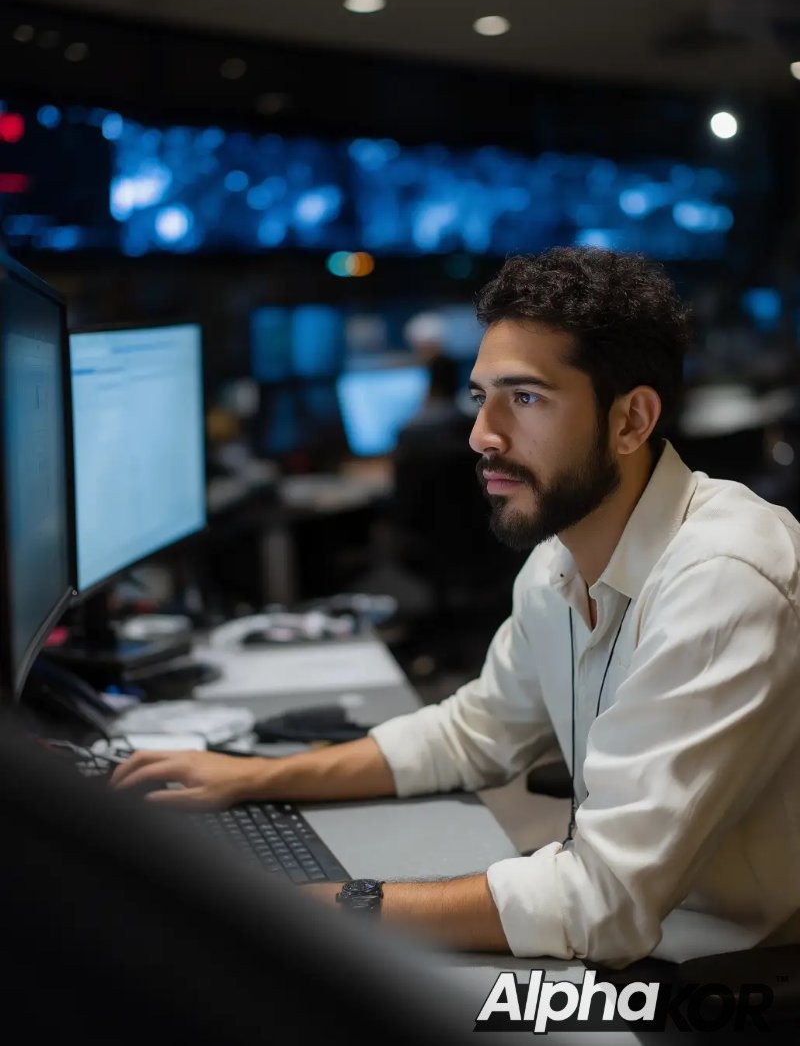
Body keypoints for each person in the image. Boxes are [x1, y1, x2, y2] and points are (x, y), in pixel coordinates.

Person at [112, 247, 800, 970]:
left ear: (631, 421)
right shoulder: (558, 564)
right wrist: (249, 777)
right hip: (633, 942)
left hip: (731, 979)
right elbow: (472, 734)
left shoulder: (725, 581)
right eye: (481, 397)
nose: (481, 436)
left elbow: (602, 902)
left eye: (525, 398)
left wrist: (331, 906)